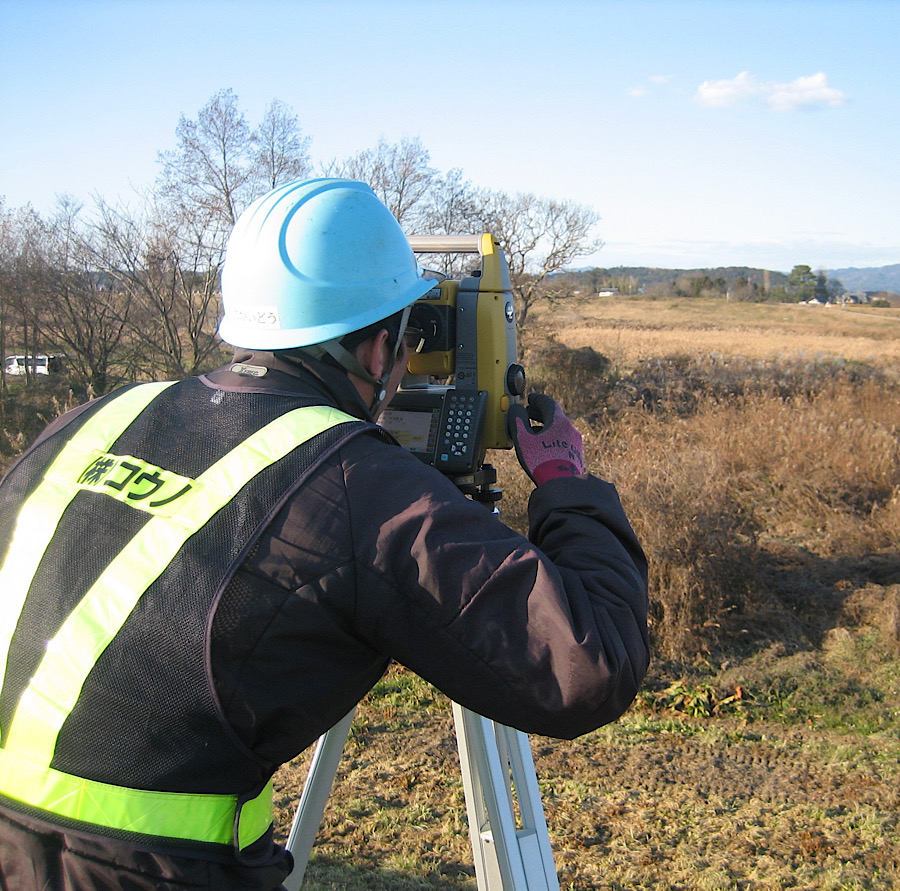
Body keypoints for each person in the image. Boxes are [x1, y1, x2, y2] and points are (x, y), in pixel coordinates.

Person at [0, 178, 649, 890]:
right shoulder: (354, 483)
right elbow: (588, 663)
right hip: (146, 872)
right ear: (378, 352)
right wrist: (567, 486)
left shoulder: (101, 416)